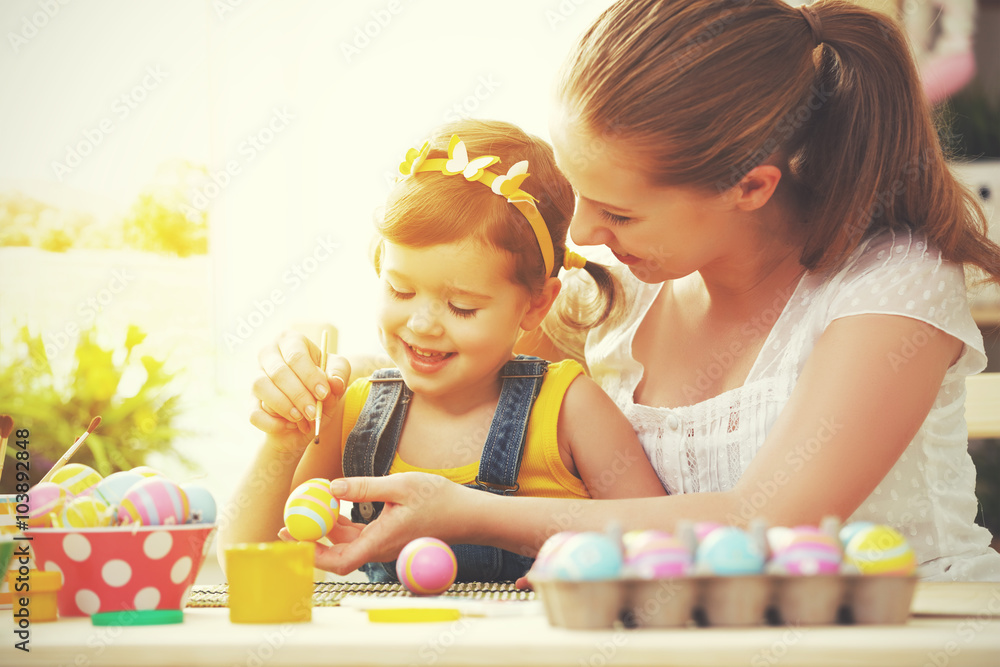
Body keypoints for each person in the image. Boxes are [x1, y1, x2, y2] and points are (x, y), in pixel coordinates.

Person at [247, 0, 1000, 582]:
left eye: (619, 212)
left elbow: (768, 522)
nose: (580, 232)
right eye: (577, 193)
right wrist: (304, 362)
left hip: (912, 634)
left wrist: (473, 513)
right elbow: (448, 356)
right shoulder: (618, 294)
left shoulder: (888, 285)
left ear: (751, 186)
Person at [218, 119, 666, 583]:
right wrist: (283, 442)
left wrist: (584, 556)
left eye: (461, 306)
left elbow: (663, 541)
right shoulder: (352, 411)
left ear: (536, 304)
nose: (422, 325)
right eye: (400, 290)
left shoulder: (569, 408)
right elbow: (248, 564)